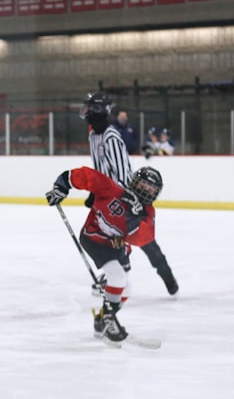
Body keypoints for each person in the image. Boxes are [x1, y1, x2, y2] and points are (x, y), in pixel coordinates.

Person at [46, 166, 164, 344]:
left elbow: (142, 239)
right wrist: (61, 187)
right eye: (143, 185)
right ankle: (109, 324)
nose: (146, 191)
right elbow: (84, 176)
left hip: (116, 247)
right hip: (94, 238)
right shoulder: (112, 189)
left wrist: (134, 217)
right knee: (118, 277)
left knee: (126, 289)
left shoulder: (147, 212)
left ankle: (102, 320)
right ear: (134, 182)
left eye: (151, 189)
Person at [80, 92, 178, 296]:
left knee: (144, 240)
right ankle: (118, 277)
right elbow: (99, 167)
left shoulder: (111, 137)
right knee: (113, 237)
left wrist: (126, 200)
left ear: (98, 110)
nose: (86, 111)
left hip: (124, 196)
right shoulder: (93, 135)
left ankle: (169, 281)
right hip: (107, 196)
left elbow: (122, 171)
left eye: (89, 107)